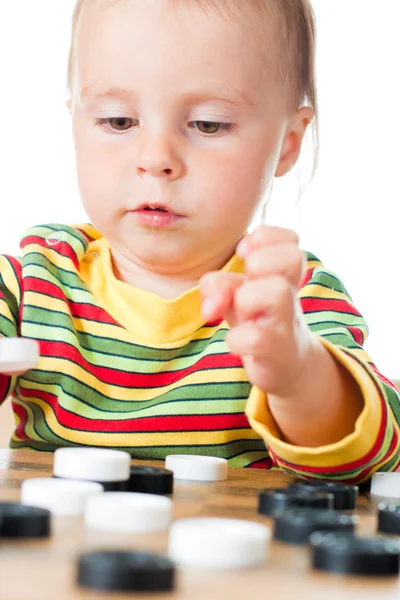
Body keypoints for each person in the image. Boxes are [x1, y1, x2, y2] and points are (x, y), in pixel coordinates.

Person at [0, 0, 398, 481]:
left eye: (208, 124)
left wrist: (297, 374)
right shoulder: (32, 280)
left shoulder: (287, 298)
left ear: (287, 143)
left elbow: (372, 457)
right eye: (118, 121)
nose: (156, 158)